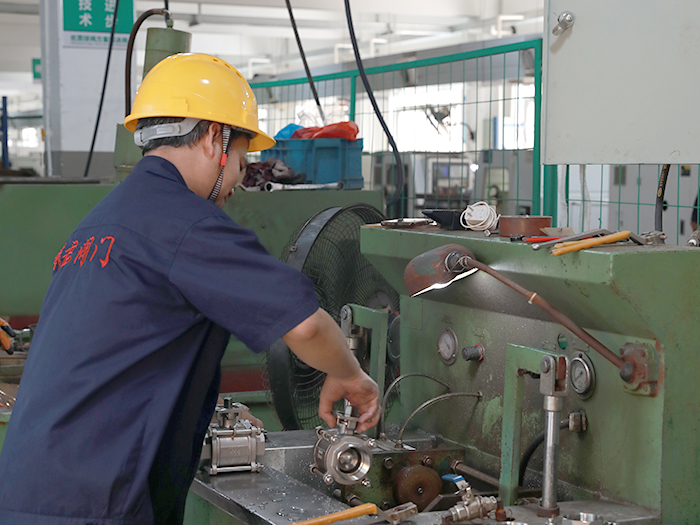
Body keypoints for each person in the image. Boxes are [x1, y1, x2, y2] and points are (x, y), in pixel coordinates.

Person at [0, 53, 380, 524]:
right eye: (241, 161)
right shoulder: (185, 223)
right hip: (92, 503)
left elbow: (118, 355)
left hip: (28, 490)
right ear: (214, 138)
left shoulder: (99, 223)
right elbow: (305, 326)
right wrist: (350, 376)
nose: (237, 182)